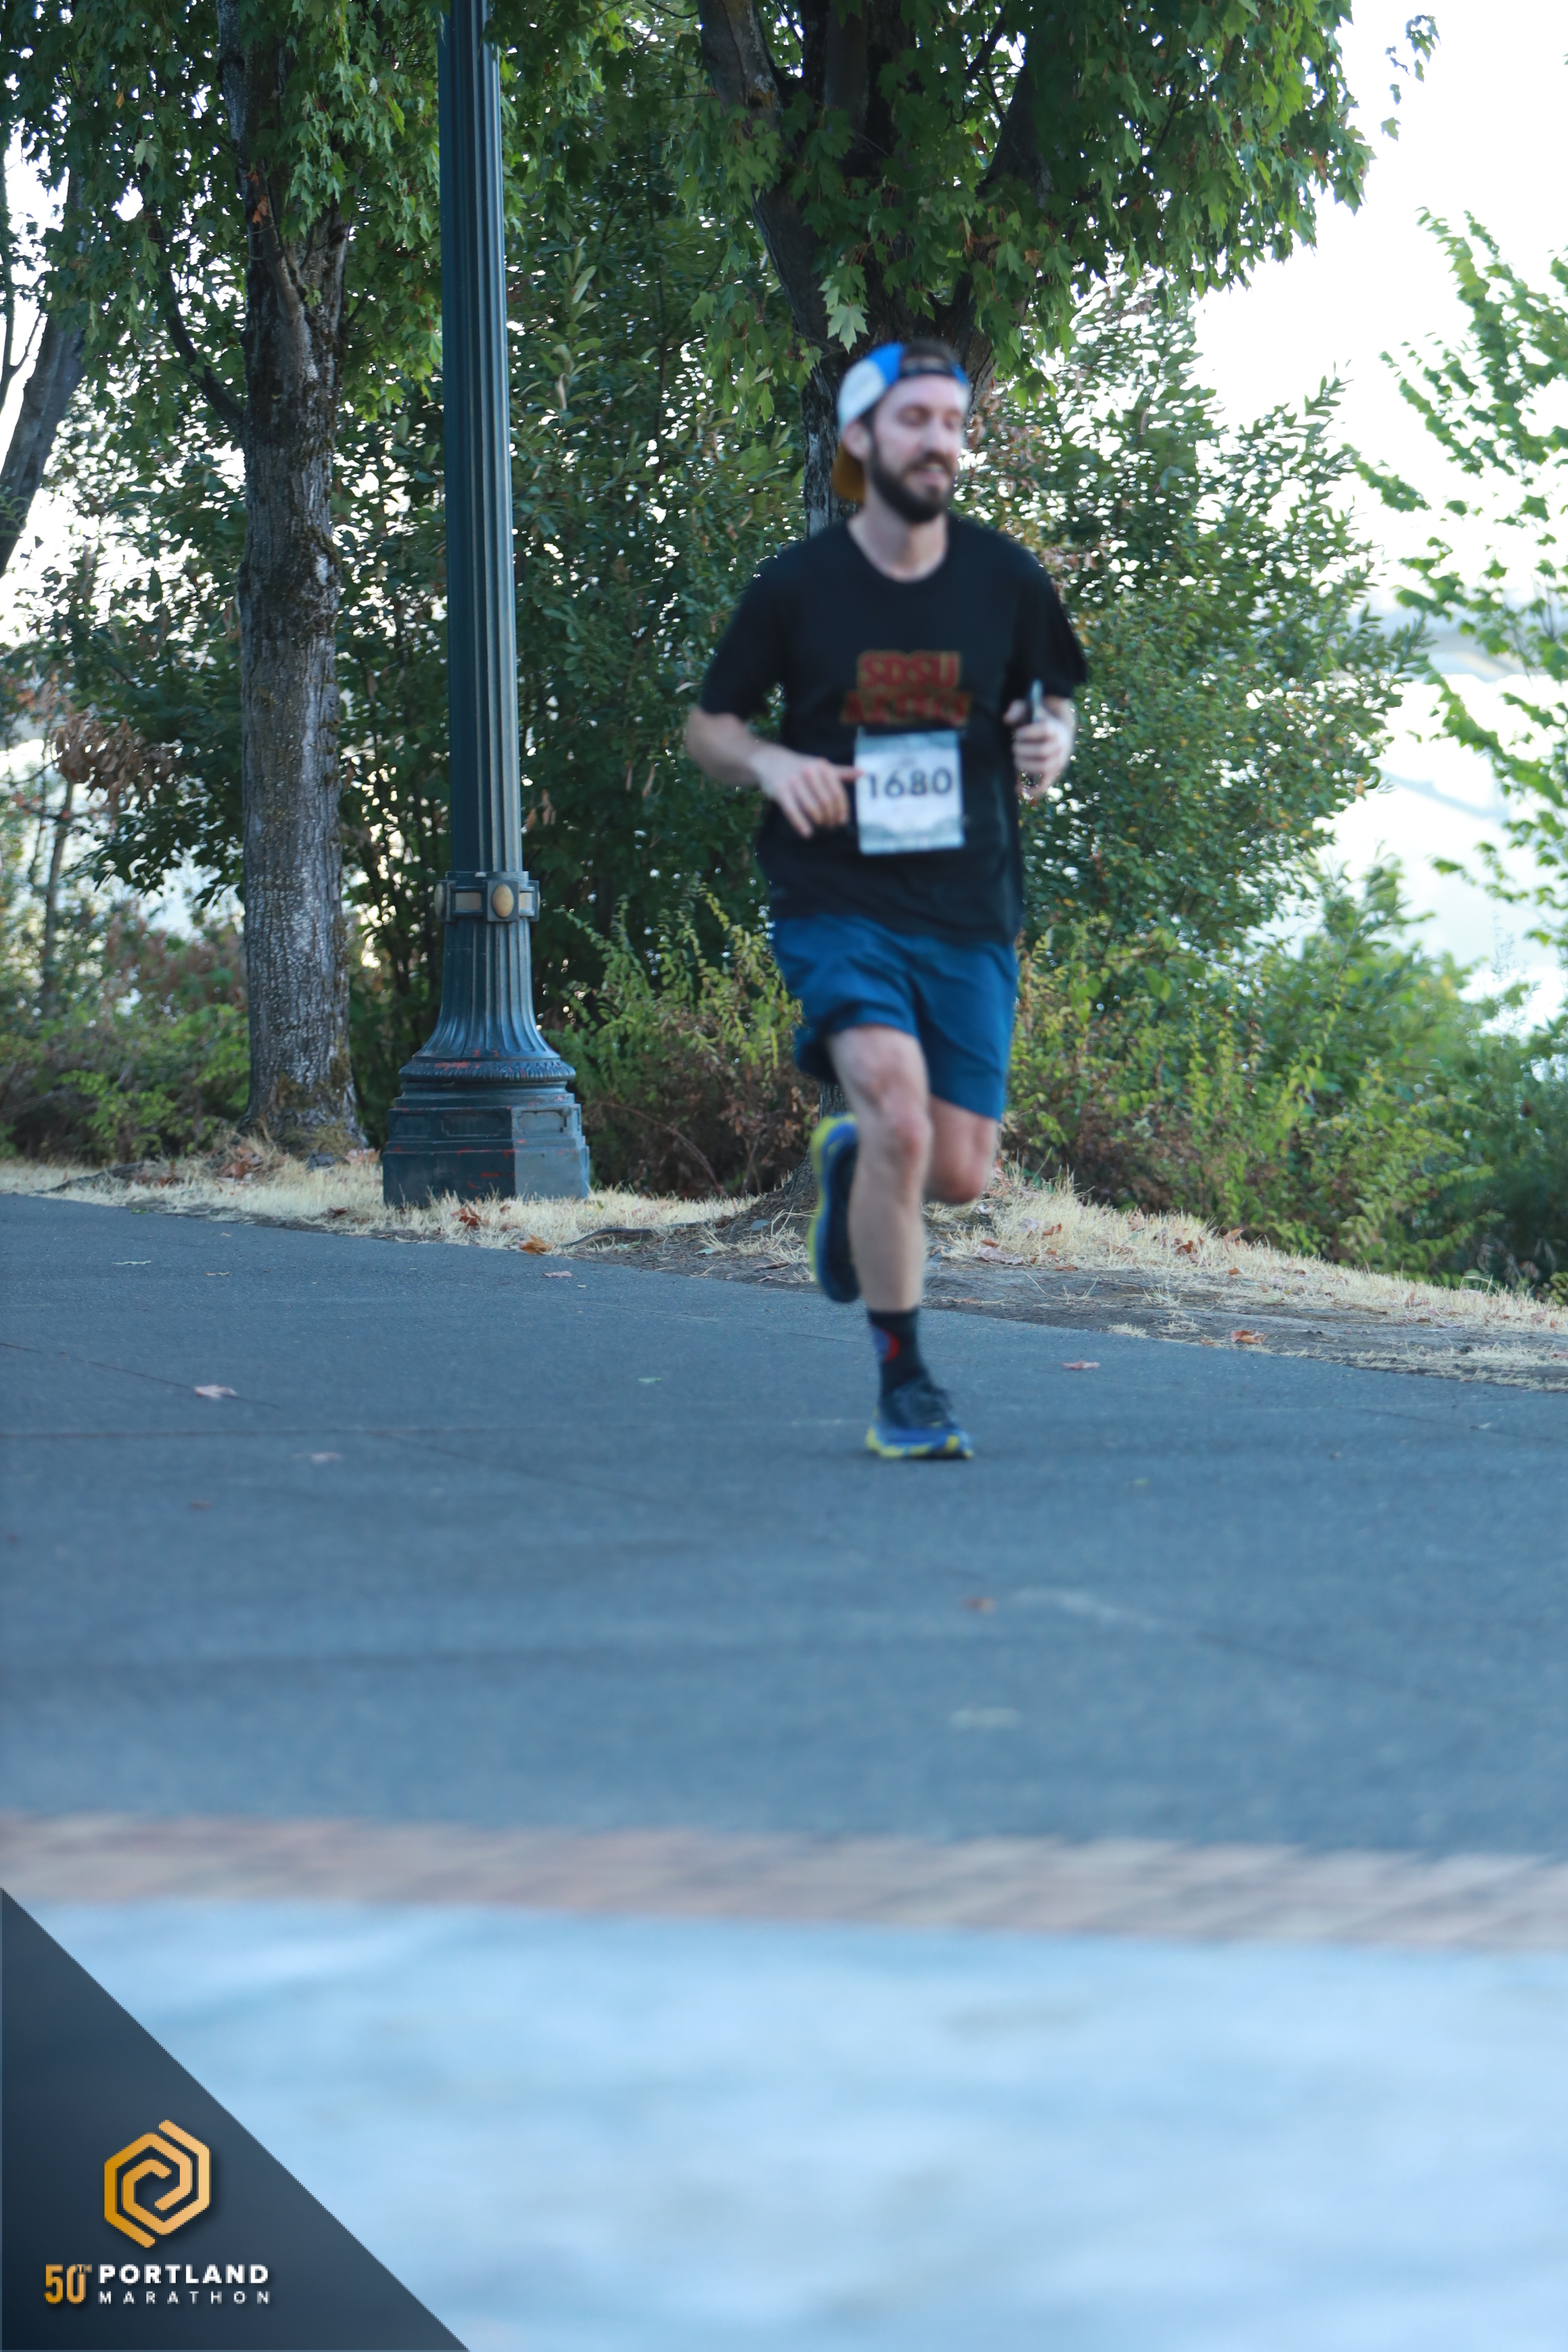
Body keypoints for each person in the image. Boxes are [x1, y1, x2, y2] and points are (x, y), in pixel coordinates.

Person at [685, 338, 1086, 1458]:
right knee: (901, 1115)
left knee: (957, 1172)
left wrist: (1052, 742)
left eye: (953, 422)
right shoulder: (797, 587)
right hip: (837, 899)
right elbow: (710, 730)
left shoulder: (1005, 579)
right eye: (916, 420)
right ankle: (906, 1383)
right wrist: (771, 762)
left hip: (970, 906)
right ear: (860, 437)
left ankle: (856, 1165)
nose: (939, 442)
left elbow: (1054, 701)